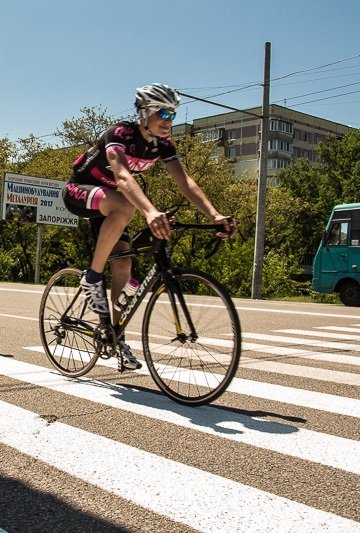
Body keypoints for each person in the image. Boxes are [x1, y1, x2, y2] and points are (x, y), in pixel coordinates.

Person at [62, 83, 235, 370]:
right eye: (163, 113)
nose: (168, 121)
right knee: (125, 205)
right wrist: (151, 211)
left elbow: (186, 183)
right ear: (144, 113)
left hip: (114, 206)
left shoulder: (164, 145)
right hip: (81, 191)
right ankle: (91, 278)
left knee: (124, 265)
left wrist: (214, 215)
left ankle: (115, 338)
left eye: (173, 115)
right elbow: (122, 178)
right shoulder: (119, 134)